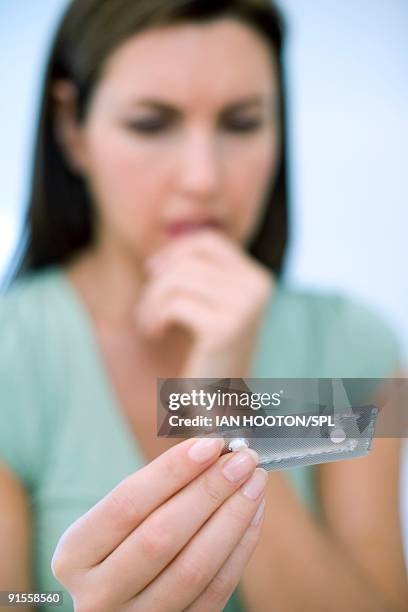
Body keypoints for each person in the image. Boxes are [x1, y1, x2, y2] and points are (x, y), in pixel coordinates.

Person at [1, 1, 407, 611]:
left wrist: (222, 404)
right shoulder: (14, 352)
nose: (202, 178)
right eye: (150, 124)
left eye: (241, 124)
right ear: (72, 129)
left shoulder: (355, 345)